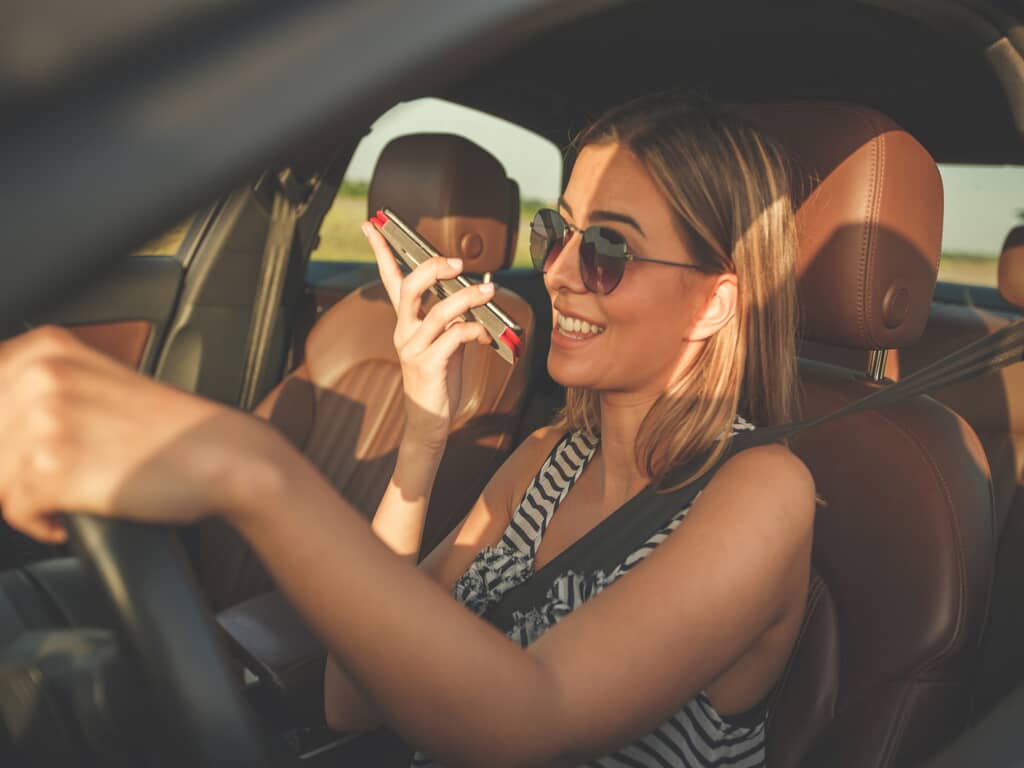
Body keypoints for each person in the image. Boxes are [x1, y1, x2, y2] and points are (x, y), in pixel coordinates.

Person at [0, 92, 814, 768]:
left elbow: (531, 721)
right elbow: (350, 697)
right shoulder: (548, 458)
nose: (558, 272)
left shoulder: (762, 493)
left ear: (713, 302)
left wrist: (252, 471)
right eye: (556, 231)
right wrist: (424, 435)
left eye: (606, 248)